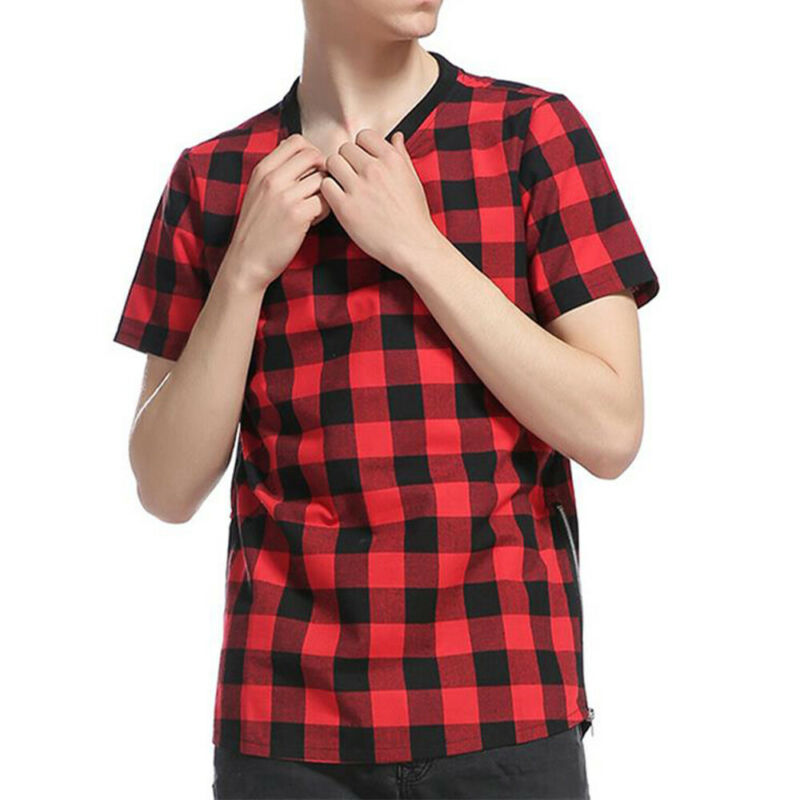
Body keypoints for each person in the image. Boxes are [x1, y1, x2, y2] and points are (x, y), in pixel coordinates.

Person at [112, 1, 659, 797]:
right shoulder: (215, 178)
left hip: (501, 700)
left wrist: (418, 247)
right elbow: (164, 487)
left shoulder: (530, 135)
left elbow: (612, 430)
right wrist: (244, 273)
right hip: (287, 728)